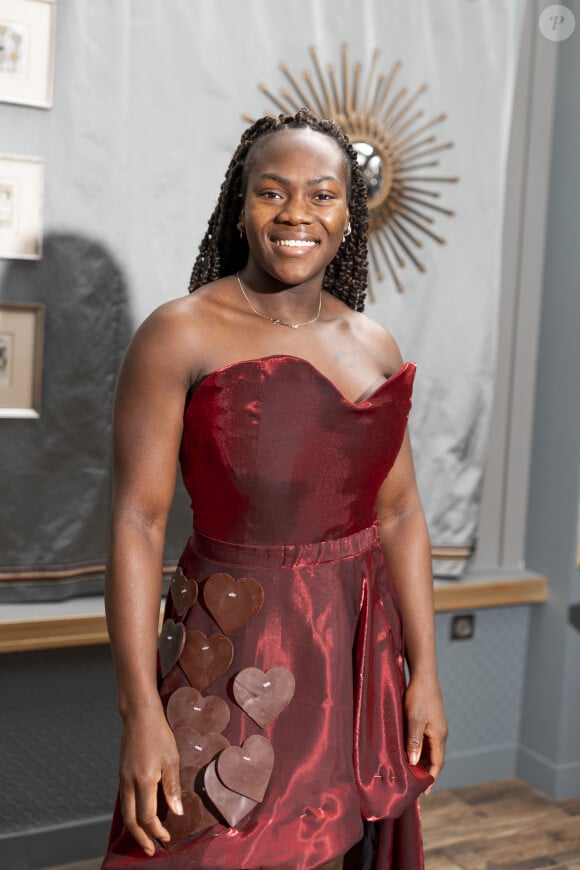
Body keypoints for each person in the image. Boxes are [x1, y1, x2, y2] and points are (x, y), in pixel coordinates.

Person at [102, 108, 447, 870]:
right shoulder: (179, 333)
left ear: (349, 214)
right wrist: (141, 714)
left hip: (357, 663)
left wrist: (424, 673)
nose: (297, 214)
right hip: (231, 653)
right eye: (272, 192)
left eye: (322, 195)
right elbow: (137, 520)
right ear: (240, 206)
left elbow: (399, 514)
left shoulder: (373, 343)